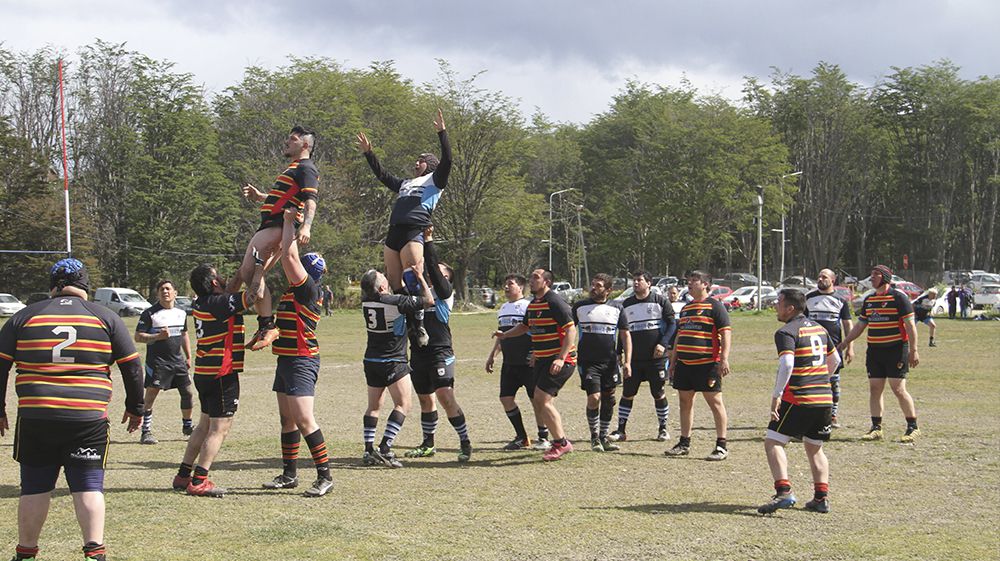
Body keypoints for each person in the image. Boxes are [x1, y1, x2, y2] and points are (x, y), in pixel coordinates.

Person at [0, 258, 144, 561]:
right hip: (87, 417)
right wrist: (136, 407)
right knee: (88, 486)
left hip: (37, 414)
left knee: (34, 488)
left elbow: (0, 367)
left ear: (53, 286)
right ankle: (95, 553)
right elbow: (132, 367)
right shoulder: (106, 317)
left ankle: (25, 553)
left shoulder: (24, 317)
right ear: (86, 286)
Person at [172, 259, 268, 497]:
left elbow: (234, 288)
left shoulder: (204, 302)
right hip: (221, 373)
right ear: (215, 282)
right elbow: (254, 295)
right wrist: (259, 266)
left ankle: (183, 475)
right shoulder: (219, 303)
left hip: (205, 372)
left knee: (204, 425)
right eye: (219, 276)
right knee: (219, 429)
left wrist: (247, 266)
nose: (224, 278)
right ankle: (199, 480)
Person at [357, 110, 450, 345]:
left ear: (428, 165)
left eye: (420, 160)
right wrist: (369, 154)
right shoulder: (406, 183)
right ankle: (407, 324)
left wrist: (442, 133)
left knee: (413, 275)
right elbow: (383, 176)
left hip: (413, 230)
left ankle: (418, 326)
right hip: (394, 231)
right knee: (395, 282)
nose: (415, 162)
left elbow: (448, 160)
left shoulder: (435, 181)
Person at [260, 208, 334, 497]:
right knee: (287, 420)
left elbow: (290, 258)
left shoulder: (308, 290)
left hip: (303, 360)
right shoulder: (293, 292)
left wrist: (288, 223)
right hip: (287, 358)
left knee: (304, 419)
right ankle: (290, 474)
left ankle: (325, 476)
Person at [758, 289, 841, 515]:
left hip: (799, 397)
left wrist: (777, 394)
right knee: (815, 448)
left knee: (773, 441)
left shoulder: (786, 331)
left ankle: (783, 492)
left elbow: (786, 365)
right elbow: (836, 360)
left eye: (779, 302)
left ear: (790, 308)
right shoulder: (820, 329)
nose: (776, 306)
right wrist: (821, 379)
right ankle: (821, 498)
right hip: (824, 397)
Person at [238, 126, 320, 350]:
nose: (286, 142)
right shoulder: (294, 168)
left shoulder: (306, 168)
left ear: (305, 145)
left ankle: (267, 325)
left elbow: (310, 200)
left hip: (276, 225)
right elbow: (283, 197)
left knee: (248, 271)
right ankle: (266, 324)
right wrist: (262, 197)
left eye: (292, 139)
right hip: (272, 223)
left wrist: (306, 227)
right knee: (254, 273)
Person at [401, 226, 473, 462]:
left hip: (440, 353)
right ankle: (428, 444)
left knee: (445, 396)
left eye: (440, 272)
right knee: (425, 399)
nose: (435, 273)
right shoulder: (417, 293)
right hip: (419, 354)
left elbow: (431, 267)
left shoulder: (445, 294)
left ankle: (465, 443)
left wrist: (428, 240)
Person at [494, 269, 578, 461]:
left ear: (547, 282)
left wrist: (560, 357)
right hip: (542, 359)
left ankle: (561, 443)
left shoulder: (555, 302)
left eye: (536, 277)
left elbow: (571, 330)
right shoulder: (534, 304)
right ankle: (558, 441)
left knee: (542, 398)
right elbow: (525, 327)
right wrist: (505, 335)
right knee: (541, 400)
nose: (531, 280)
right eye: (531, 277)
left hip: (560, 360)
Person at [360, 266, 433, 468]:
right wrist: (420, 278)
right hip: (393, 360)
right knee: (403, 405)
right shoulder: (396, 302)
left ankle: (368, 450)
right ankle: (385, 447)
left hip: (371, 360)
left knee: (374, 407)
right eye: (385, 278)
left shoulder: (366, 302)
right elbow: (428, 301)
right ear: (383, 286)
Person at [839, 265, 921, 443]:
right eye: (871, 274)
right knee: (875, 388)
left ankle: (912, 427)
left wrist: (913, 350)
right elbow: (861, 325)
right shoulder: (869, 300)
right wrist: (846, 342)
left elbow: (910, 326)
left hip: (896, 349)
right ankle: (876, 428)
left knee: (898, 389)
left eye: (876, 275)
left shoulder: (899, 298)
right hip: (875, 351)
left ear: (885, 277)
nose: (872, 277)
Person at [664, 270, 732, 461]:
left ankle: (721, 445)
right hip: (685, 364)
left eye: (695, 281)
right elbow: (679, 335)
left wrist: (724, 358)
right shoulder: (686, 308)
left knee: (715, 402)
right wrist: (673, 360)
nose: (690, 284)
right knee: (685, 401)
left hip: (707, 364)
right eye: (689, 281)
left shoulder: (715, 307)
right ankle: (684, 442)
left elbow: (726, 333)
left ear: (705, 284)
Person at [609, 271, 676, 444]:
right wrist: (619, 352)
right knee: (628, 393)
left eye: (640, 280)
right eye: (634, 280)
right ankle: (621, 430)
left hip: (656, 358)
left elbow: (671, 324)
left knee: (658, 393)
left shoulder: (660, 301)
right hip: (634, 360)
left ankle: (663, 429)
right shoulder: (626, 304)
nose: (636, 283)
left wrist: (664, 343)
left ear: (649, 283)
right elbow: (623, 331)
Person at [486, 274, 550, 451]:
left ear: (520, 287)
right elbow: (503, 334)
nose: (506, 287)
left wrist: (536, 352)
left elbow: (537, 331)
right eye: (505, 284)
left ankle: (543, 437)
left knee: (536, 400)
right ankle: (521, 437)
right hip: (510, 363)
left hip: (528, 363)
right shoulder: (503, 308)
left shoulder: (529, 306)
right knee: (506, 399)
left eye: (510, 284)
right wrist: (493, 355)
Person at [572, 273, 631, 452]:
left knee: (608, 399)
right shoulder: (580, 307)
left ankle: (604, 437)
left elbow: (625, 335)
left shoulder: (617, 308)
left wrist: (627, 361)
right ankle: (594, 437)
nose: (593, 288)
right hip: (588, 362)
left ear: (608, 290)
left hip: (610, 362)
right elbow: (567, 329)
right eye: (592, 284)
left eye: (598, 285)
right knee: (594, 397)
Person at [134, 279, 194, 445]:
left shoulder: (181, 313)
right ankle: (146, 431)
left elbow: (184, 334)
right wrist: (156, 337)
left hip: (178, 361)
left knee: (188, 393)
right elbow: (138, 336)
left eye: (168, 289)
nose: (165, 292)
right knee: (151, 396)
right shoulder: (150, 313)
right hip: (158, 362)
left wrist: (188, 356)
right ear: (157, 293)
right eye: (162, 289)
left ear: (175, 292)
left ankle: (187, 427)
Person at [804, 269, 854, 428]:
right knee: (811, 382)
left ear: (833, 280)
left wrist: (849, 347)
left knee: (833, 383)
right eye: (819, 276)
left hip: (833, 348)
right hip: (811, 347)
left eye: (824, 277)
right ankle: (812, 415)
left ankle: (832, 415)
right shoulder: (809, 298)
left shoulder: (840, 301)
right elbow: (800, 321)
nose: (820, 279)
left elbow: (847, 324)